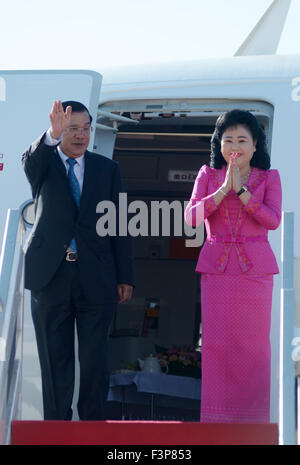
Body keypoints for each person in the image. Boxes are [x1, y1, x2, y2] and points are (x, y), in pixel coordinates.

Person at [22, 100, 134, 421]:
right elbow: (30, 164)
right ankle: (56, 431)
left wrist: (125, 275)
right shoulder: (43, 164)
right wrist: (50, 136)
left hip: (96, 277)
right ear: (60, 130)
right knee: (55, 362)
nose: (82, 135)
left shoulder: (107, 169)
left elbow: (121, 223)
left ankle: (93, 430)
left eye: (87, 129)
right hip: (50, 275)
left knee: (94, 361)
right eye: (74, 129)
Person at [185, 109, 282, 423]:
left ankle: (252, 424)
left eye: (242, 139)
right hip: (217, 271)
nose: (235, 145)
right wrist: (223, 189)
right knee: (216, 346)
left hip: (255, 273)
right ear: (219, 144)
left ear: (255, 145)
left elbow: (273, 220)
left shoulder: (268, 177)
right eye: (228, 139)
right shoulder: (207, 174)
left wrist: (242, 191)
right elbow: (191, 218)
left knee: (253, 348)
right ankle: (215, 421)